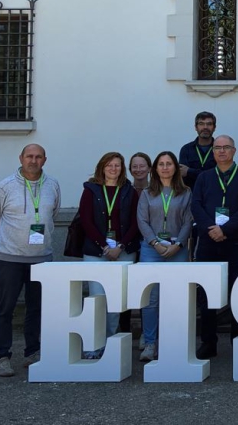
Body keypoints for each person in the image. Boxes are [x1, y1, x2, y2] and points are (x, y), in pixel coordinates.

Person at [0, 144, 61, 377]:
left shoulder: (53, 185)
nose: (33, 160)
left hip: (41, 259)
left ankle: (32, 352)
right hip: (10, 259)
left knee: (36, 308)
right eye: (29, 156)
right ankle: (2, 356)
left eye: (38, 157)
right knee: (5, 309)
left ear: (45, 160)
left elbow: (53, 215)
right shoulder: (5, 186)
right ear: (21, 158)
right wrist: (12, 242)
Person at [190, 135, 238, 359]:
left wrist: (225, 230)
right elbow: (196, 205)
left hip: (234, 242)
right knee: (206, 294)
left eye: (226, 147)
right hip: (208, 243)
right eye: (217, 148)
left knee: (237, 293)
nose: (221, 151)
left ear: (234, 151)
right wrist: (211, 227)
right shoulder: (204, 177)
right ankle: (208, 342)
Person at [79, 152, 140, 359]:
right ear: (102, 167)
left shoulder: (129, 191)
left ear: (122, 169)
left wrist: (120, 246)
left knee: (115, 302)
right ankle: (93, 345)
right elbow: (86, 221)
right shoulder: (90, 190)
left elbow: (135, 222)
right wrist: (105, 245)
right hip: (96, 252)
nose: (113, 169)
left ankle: (109, 345)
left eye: (117, 165)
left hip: (122, 252)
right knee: (97, 299)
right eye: (109, 165)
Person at [136, 151, 192, 362]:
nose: (165, 167)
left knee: (176, 298)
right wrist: (155, 243)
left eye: (169, 164)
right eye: (161, 164)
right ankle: (150, 343)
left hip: (177, 249)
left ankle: (173, 342)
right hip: (152, 250)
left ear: (175, 168)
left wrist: (178, 244)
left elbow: (188, 220)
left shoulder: (185, 192)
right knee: (150, 299)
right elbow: (142, 221)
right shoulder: (147, 193)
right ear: (155, 169)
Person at [179, 111, 218, 188]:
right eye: (201, 124)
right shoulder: (186, 149)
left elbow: (218, 176)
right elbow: (183, 174)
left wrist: (189, 171)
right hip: (191, 196)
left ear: (214, 128)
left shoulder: (220, 149)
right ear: (196, 127)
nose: (205, 127)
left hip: (214, 194)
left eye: (209, 124)